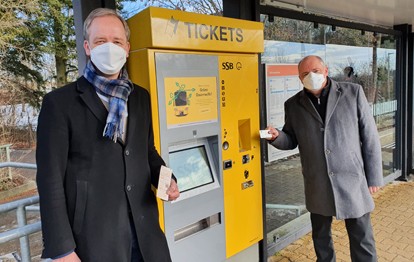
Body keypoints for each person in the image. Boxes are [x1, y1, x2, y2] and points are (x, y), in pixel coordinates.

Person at [36, 8, 180, 262]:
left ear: (127, 48)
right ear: (87, 47)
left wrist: (167, 179)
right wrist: (62, 249)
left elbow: (147, 152)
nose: (109, 48)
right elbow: (50, 180)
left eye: (116, 41)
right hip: (94, 240)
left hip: (146, 231)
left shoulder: (139, 97)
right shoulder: (59, 103)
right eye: (101, 41)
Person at [265, 55, 383, 262]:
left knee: (361, 236)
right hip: (317, 181)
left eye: (316, 71)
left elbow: (370, 136)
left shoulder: (353, 93)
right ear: (299, 78)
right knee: (321, 237)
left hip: (352, 179)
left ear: (326, 71)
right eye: (305, 74)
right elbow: (291, 139)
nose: (311, 76)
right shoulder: (293, 105)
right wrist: (277, 137)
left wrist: (374, 177)